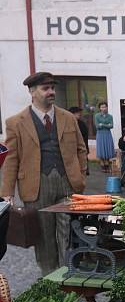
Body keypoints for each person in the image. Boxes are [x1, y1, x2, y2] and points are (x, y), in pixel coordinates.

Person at [1, 72, 88, 274]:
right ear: (32, 92)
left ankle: (67, 274)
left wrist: (80, 175)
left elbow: (81, 149)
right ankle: (50, 277)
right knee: (44, 236)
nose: (51, 92)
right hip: (36, 185)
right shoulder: (15, 122)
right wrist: (7, 192)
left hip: (68, 183)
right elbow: (12, 158)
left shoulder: (67, 117)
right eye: (45, 88)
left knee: (67, 232)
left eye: (52, 88)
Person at [94, 101, 115, 173]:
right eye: (102, 107)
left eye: (105, 107)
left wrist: (102, 124)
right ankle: (102, 164)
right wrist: (106, 124)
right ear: (99, 108)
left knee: (107, 148)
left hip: (107, 134)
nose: (104, 108)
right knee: (101, 148)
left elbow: (111, 126)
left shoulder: (110, 116)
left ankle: (107, 164)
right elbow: (97, 126)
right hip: (100, 134)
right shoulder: (97, 116)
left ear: (107, 107)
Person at [69, 107, 90, 176]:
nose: (79, 115)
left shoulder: (81, 124)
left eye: (79, 113)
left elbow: (84, 137)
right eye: (77, 113)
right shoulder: (67, 123)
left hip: (81, 147)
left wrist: (85, 148)